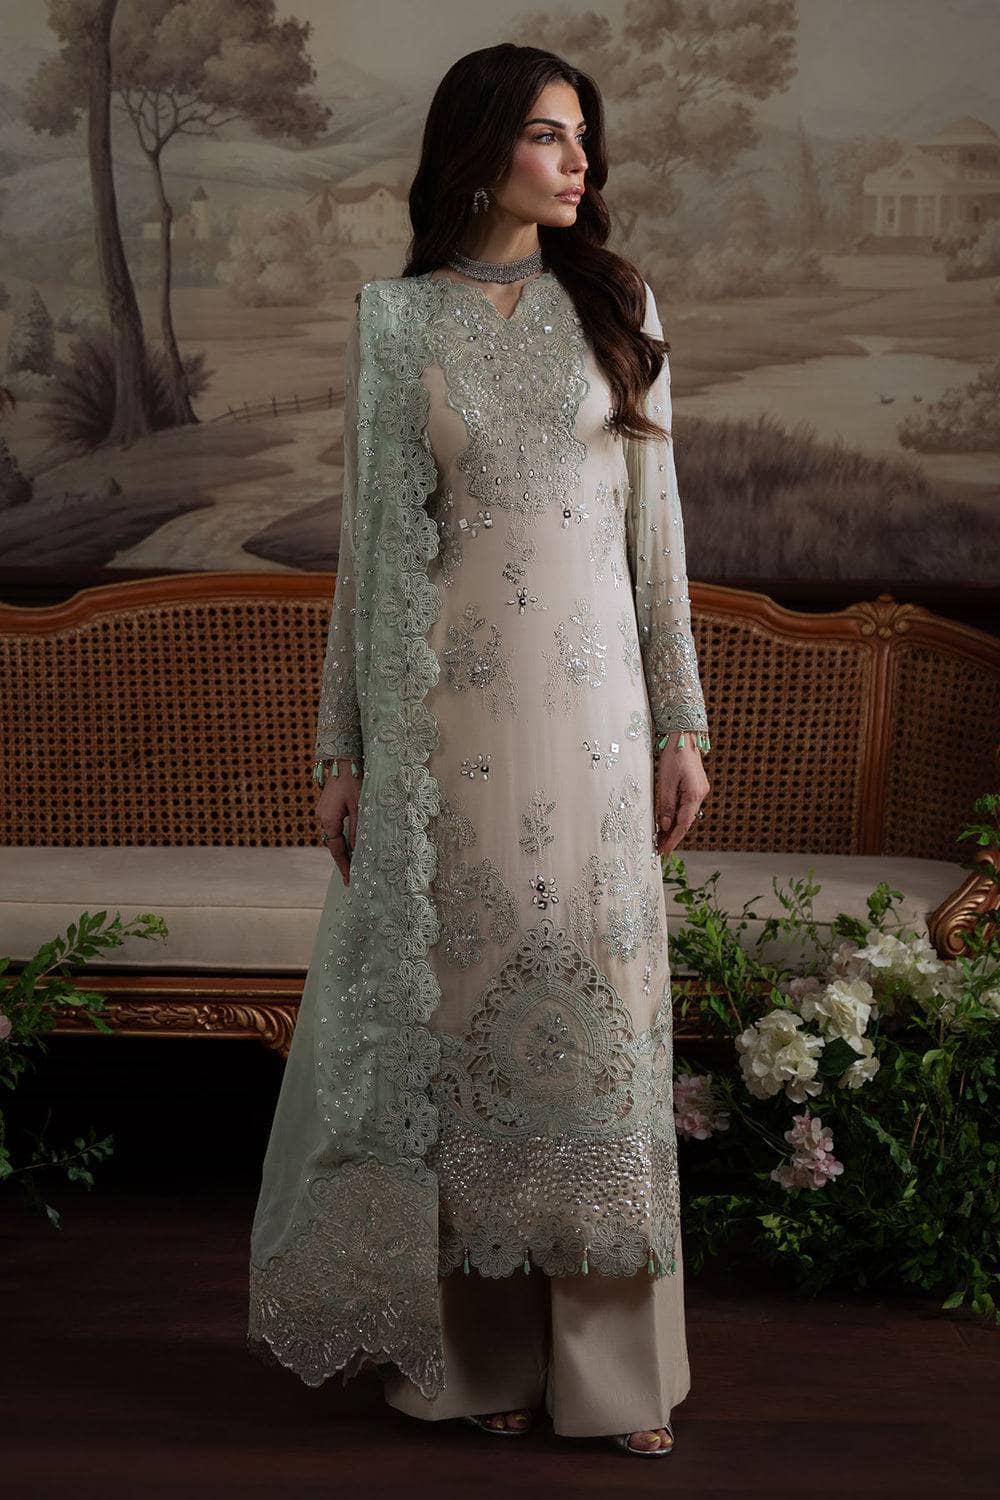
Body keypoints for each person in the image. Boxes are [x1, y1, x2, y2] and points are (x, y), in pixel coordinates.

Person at [248, 42, 711, 1460]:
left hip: (597, 734)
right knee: (467, 1036)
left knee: (597, 1031)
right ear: (481, 151)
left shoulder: (621, 309)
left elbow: (657, 539)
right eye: (554, 139)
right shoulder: (396, 324)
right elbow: (371, 552)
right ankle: (477, 1365)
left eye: (586, 141)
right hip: (453, 741)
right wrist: (343, 750)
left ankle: (615, 1379)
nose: (583, 164)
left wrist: (684, 721)